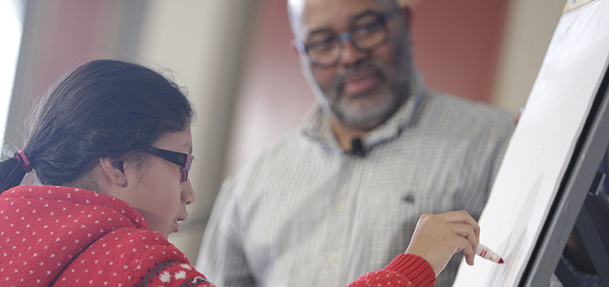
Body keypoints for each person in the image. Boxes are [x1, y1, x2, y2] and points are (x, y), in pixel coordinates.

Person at [0, 59, 481, 287]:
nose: (190, 191)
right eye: (180, 163)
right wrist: (417, 263)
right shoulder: (128, 265)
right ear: (116, 163)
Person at [195, 0, 516, 286]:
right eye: (322, 43)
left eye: (366, 28)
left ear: (404, 21)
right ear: (301, 54)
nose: (349, 55)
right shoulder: (251, 180)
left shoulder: (497, 141)